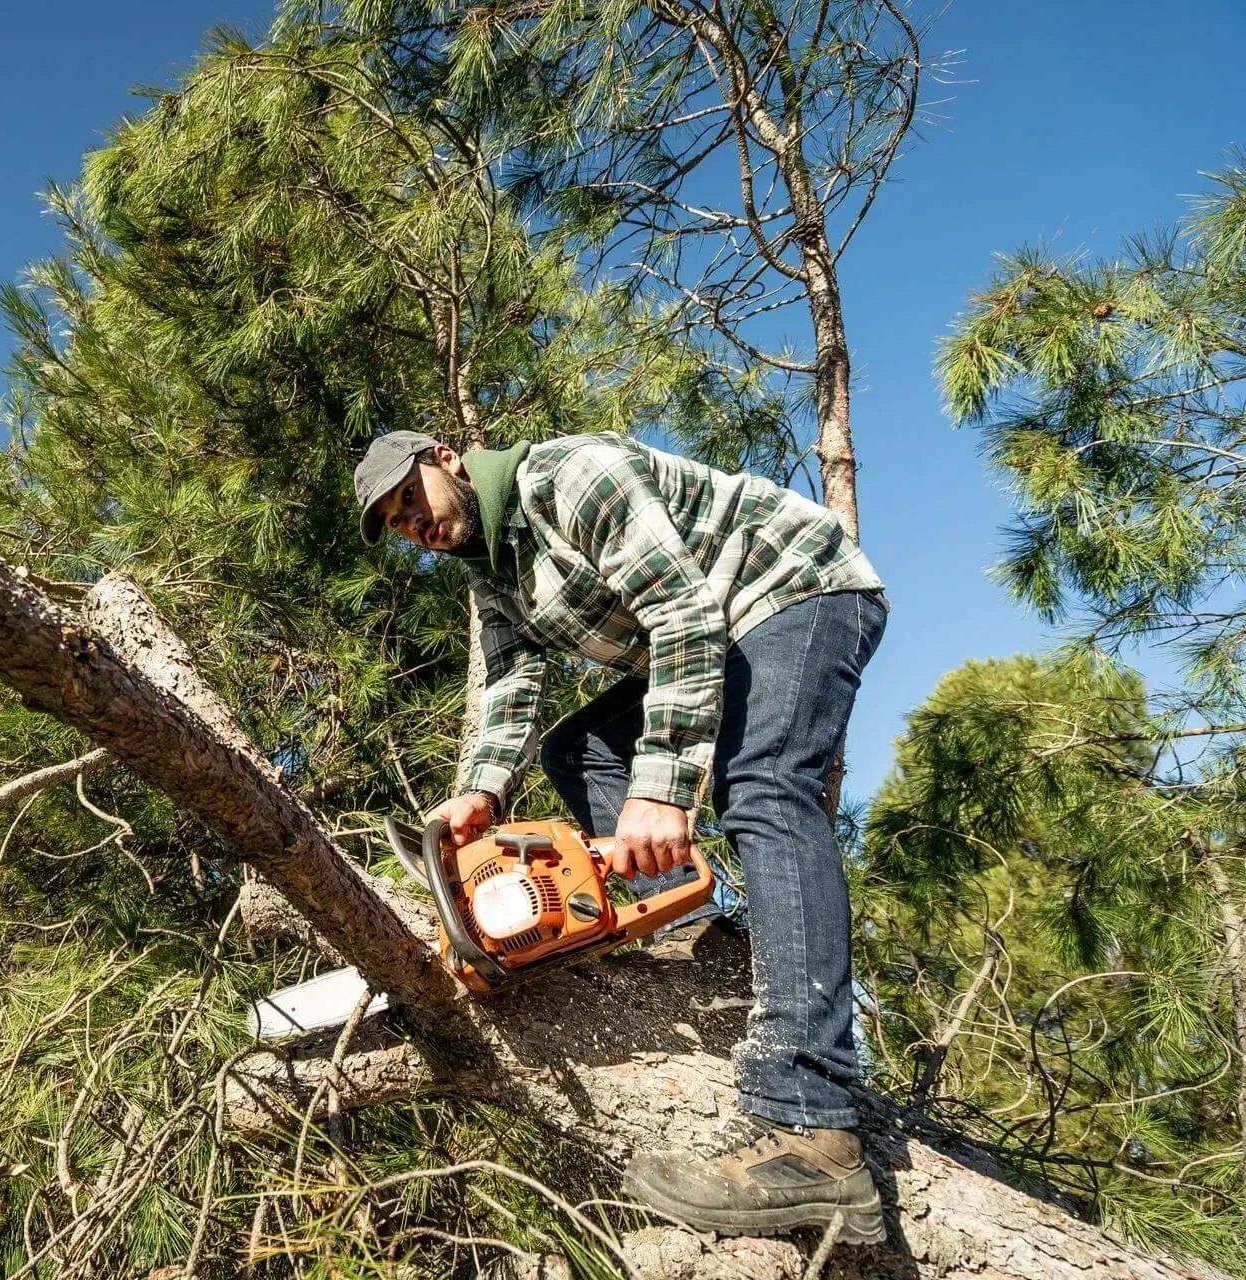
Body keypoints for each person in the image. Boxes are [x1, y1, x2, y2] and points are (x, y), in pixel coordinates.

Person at [355, 429, 889, 1244]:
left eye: (411, 499)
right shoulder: (490, 572)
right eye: (398, 524)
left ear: (447, 458)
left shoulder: (570, 474)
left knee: (766, 786)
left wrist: (662, 788)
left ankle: (811, 1121)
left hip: (793, 590)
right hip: (719, 629)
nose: (415, 525)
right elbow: (511, 685)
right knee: (579, 748)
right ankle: (685, 922)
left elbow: (680, 607)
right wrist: (479, 791)